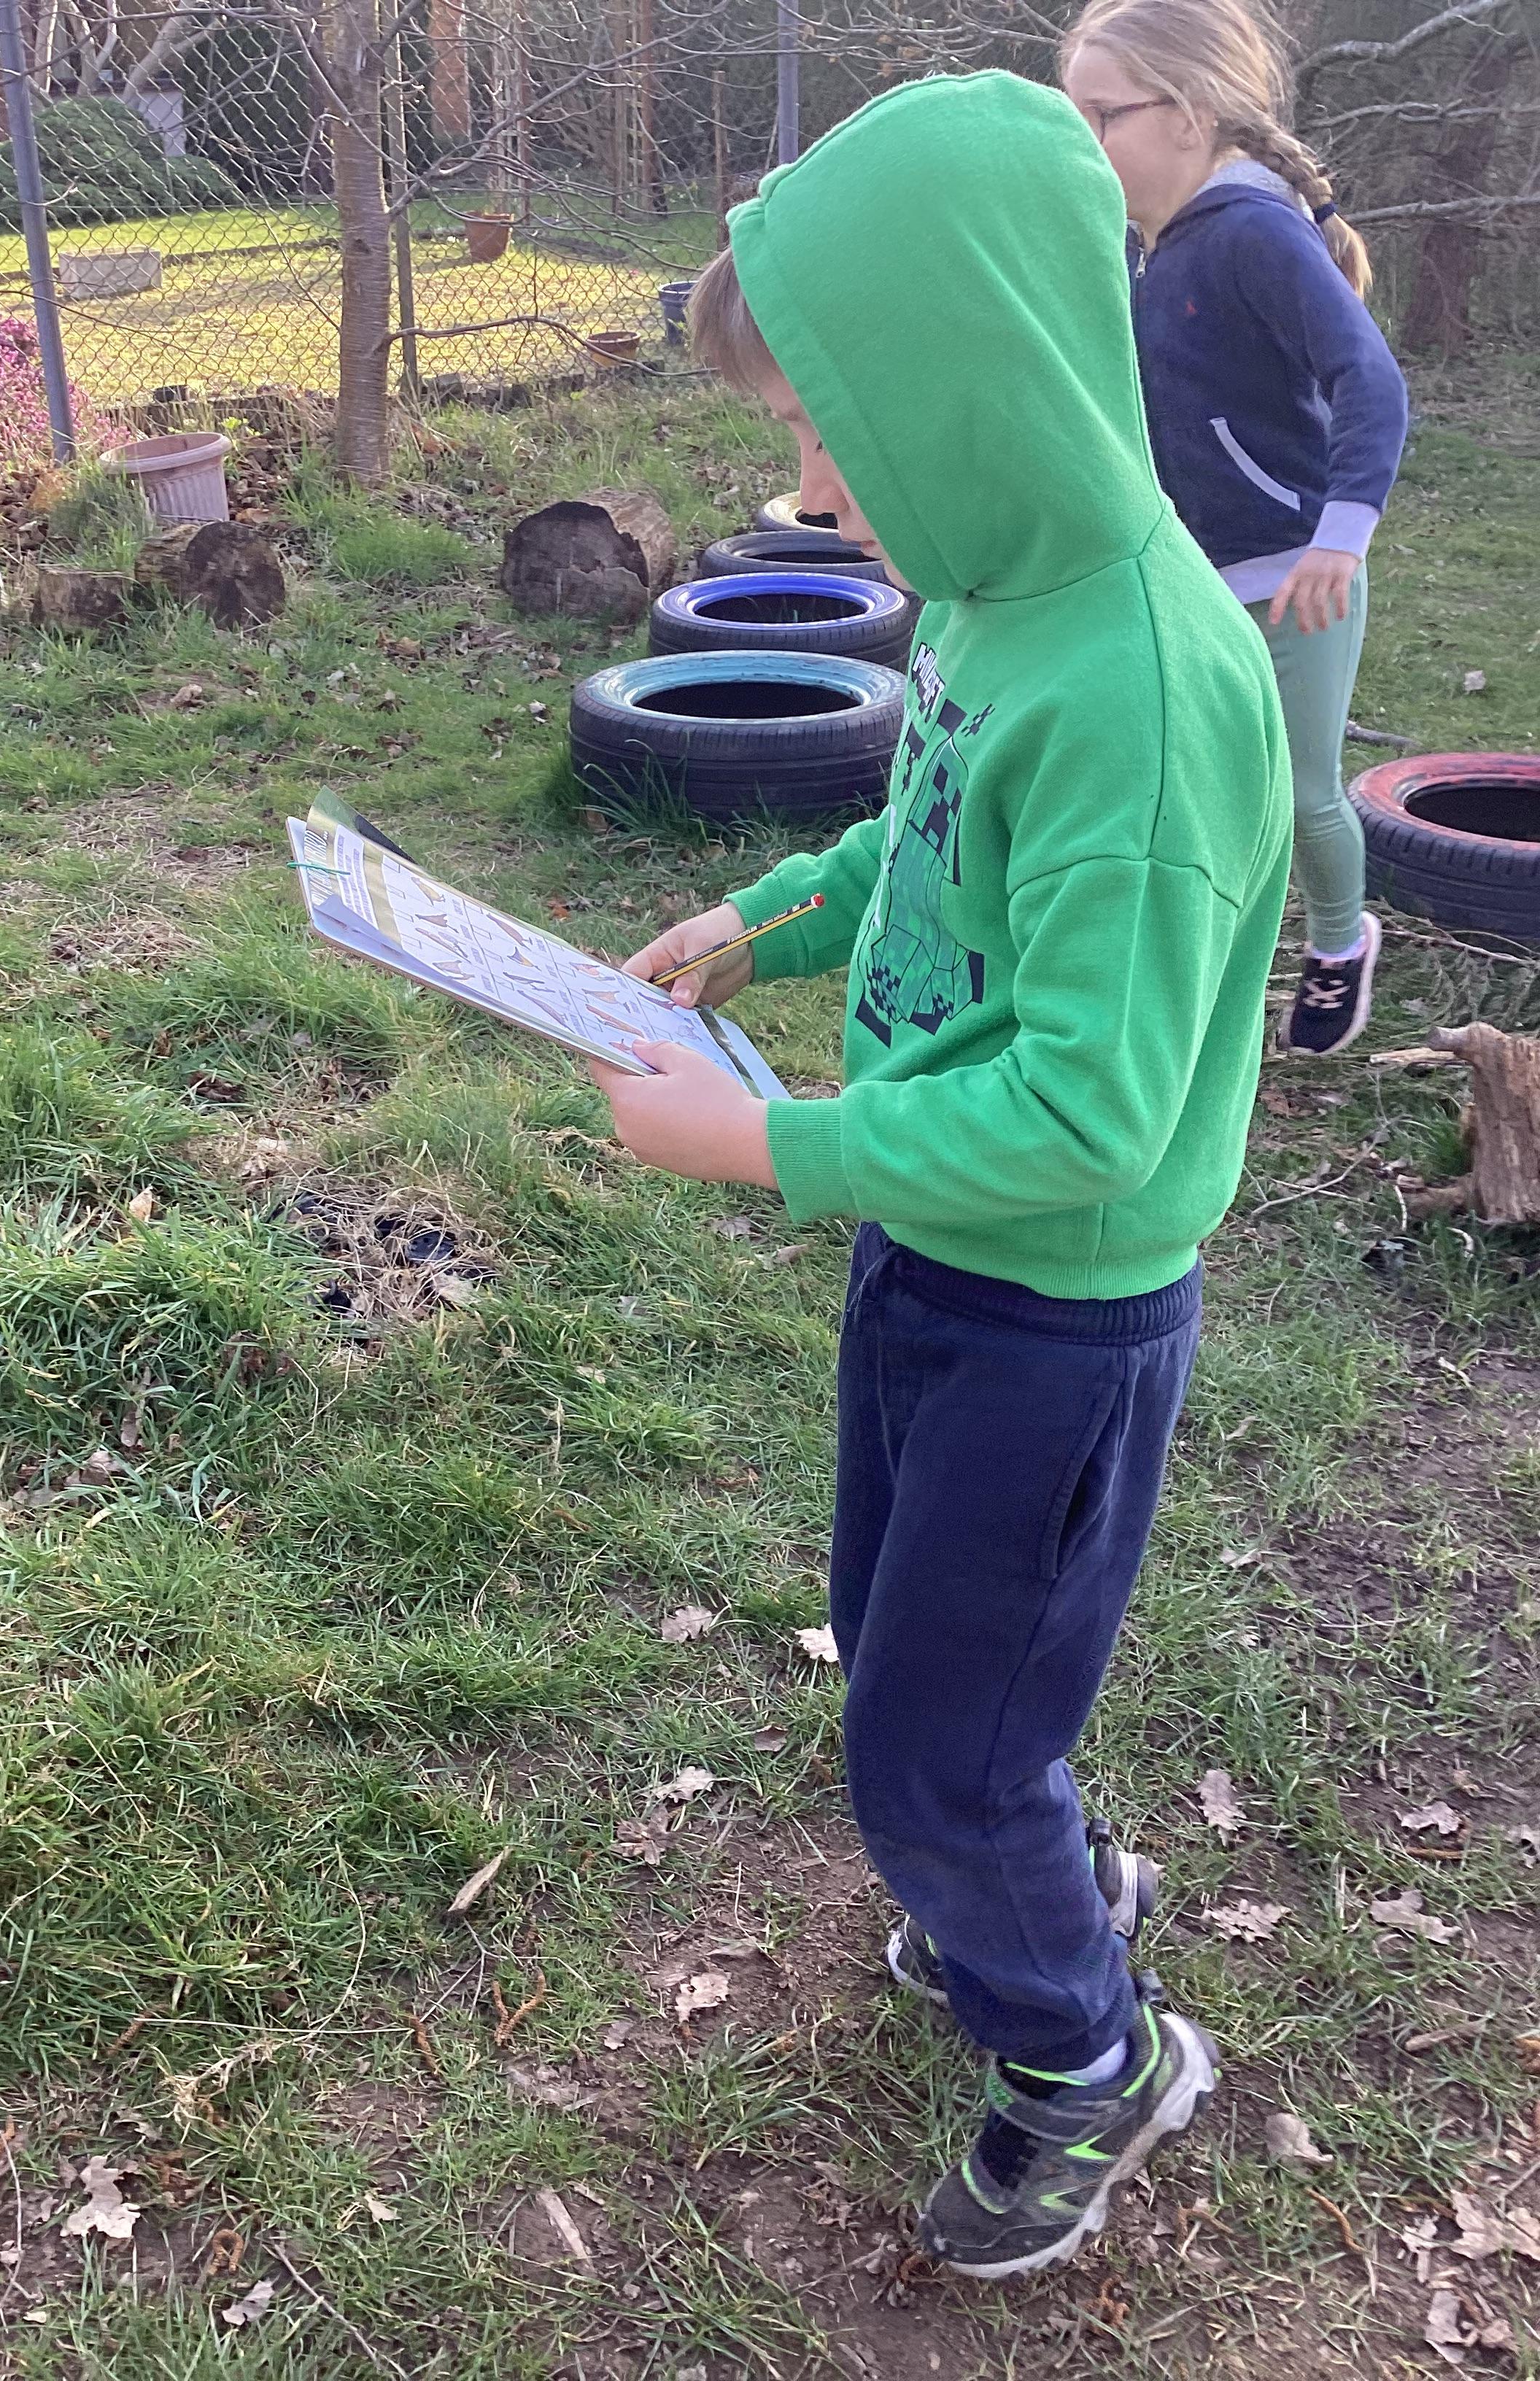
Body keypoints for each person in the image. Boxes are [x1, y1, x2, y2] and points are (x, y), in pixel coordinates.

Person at [587, 69, 1293, 2280]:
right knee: (919, 1647)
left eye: (833, 429)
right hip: (934, 1258)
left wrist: (770, 1141)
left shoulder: (1147, 697)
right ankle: (1028, 1877)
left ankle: (1090, 2050)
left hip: (1056, 1316)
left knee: (932, 1754)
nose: (808, 486)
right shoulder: (992, 592)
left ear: (974, 381)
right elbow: (919, 833)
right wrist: (766, 920)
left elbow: (1091, 1112)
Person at [1061, 0, 1409, 1057]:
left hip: (1298, 576)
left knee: (1301, 796)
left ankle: (1341, 942)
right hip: (1183, 576)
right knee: (1191, 785)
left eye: (1104, 115)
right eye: (1074, 115)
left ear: (1191, 112)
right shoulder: (1139, 247)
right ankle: (1200, 962)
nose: (1086, 140)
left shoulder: (1256, 231)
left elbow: (1370, 381)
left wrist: (1340, 536)